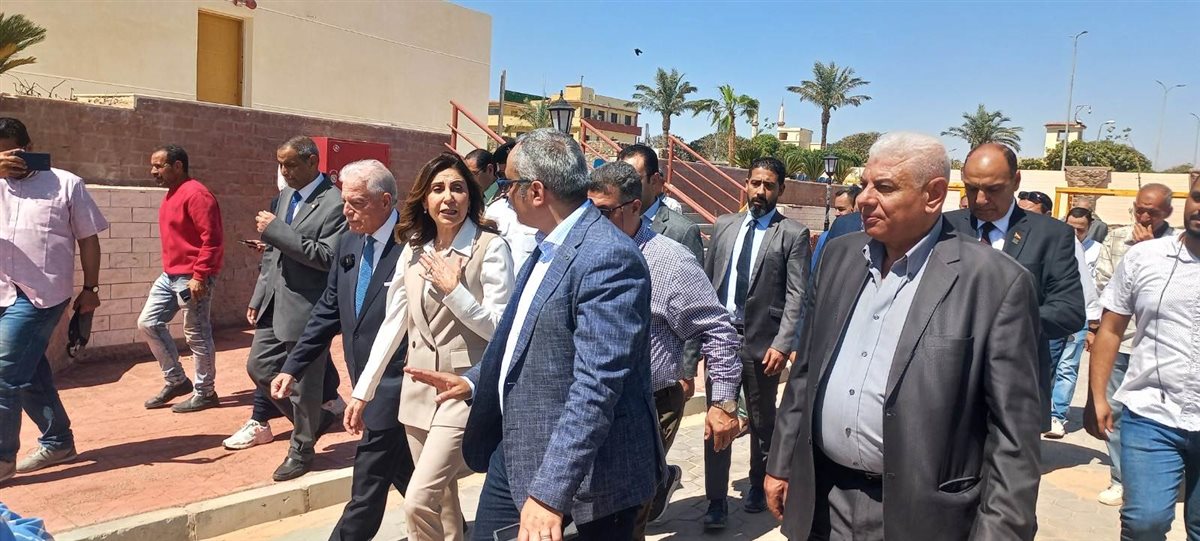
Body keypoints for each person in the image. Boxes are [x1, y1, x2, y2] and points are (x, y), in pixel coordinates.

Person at [765, 131, 1042, 540]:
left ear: (934, 195)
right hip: (825, 500)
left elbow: (1013, 436)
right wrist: (781, 462)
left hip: (923, 516)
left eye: (885, 187)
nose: (864, 198)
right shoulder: (839, 257)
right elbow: (805, 372)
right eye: (864, 184)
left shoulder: (995, 283)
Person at [405, 128, 662, 541]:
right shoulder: (547, 245)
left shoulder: (608, 258)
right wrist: (474, 381)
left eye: (509, 184)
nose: (503, 194)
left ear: (537, 191)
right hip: (518, 451)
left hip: (585, 479)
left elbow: (596, 387)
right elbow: (522, 338)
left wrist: (549, 494)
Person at [345, 152, 514, 541]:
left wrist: (455, 292)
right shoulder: (414, 249)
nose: (448, 197)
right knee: (443, 504)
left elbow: (501, 329)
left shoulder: (490, 247)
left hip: (462, 390)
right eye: (438, 189)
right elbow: (394, 323)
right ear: (424, 200)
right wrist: (363, 391)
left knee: (418, 500)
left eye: (457, 188)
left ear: (471, 197)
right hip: (417, 391)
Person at [587, 161, 742, 537]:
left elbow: (717, 330)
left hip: (648, 405)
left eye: (604, 212)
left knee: (624, 518)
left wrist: (722, 403)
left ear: (634, 207)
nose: (592, 222)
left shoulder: (670, 262)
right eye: (587, 211)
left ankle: (654, 483)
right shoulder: (583, 252)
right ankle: (659, 478)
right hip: (592, 404)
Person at [267, 160, 415, 541]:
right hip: (363, 380)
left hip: (397, 383)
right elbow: (327, 311)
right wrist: (293, 366)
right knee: (409, 477)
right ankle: (455, 531)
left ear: (385, 202)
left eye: (356, 203)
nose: (346, 211)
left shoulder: (414, 244)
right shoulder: (349, 242)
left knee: (366, 487)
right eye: (345, 201)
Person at [1083, 175, 1200, 539]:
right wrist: (1096, 396)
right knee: (1144, 522)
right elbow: (1111, 328)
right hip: (1152, 415)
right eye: (1198, 196)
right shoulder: (1145, 257)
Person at [946, 143, 1085, 432]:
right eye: (971, 189)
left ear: (1016, 181)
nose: (980, 199)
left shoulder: (1051, 235)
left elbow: (1069, 312)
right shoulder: (943, 228)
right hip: (947, 389)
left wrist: (1004, 323)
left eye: (993, 189)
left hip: (1015, 389)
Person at [702, 156, 810, 529]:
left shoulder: (792, 234)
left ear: (780, 189)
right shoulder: (724, 226)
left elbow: (797, 295)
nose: (760, 191)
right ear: (745, 184)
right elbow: (707, 282)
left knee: (763, 421)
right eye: (755, 183)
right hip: (722, 339)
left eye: (768, 185)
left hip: (763, 343)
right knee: (718, 418)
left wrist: (784, 342)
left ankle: (757, 482)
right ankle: (716, 501)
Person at [0, 117, 108, 482]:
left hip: (41, 295)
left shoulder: (66, 184)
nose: (8, 161)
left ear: (29, 148)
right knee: (28, 372)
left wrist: (91, 290)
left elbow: (88, 239)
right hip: (1, 290)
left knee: (4, 375)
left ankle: (2, 459)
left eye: (13, 152)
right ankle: (58, 441)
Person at [246, 136, 347, 482]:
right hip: (275, 302)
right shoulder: (286, 197)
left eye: (290, 164)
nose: (284, 171)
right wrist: (259, 296)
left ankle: (301, 449)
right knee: (259, 366)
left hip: (308, 307)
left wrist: (276, 230)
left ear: (312, 162)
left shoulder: (334, 202)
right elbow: (273, 255)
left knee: (304, 385)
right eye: (280, 164)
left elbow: (327, 257)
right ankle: (313, 421)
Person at [1089, 182, 1177, 507]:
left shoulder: (1179, 243)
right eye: (1139, 209)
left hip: (1159, 345)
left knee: (1153, 413)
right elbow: (1103, 285)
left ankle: (1155, 478)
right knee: (1113, 411)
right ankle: (1120, 478)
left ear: (1168, 212)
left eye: (1152, 212)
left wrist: (1152, 251)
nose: (1143, 217)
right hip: (1121, 341)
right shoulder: (1116, 238)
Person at [138, 145, 225, 413]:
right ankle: (176, 380)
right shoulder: (171, 194)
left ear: (178, 166)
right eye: (152, 166)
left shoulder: (197, 194)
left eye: (159, 166)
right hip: (170, 275)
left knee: (197, 334)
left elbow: (212, 240)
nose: (153, 171)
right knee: (148, 323)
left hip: (192, 278)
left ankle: (206, 392)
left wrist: (200, 275)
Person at [1047, 207, 1110, 439]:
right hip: (1057, 311)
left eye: (1080, 229)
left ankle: (1057, 415)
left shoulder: (1098, 250)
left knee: (1068, 366)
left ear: (1089, 227)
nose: (1075, 232)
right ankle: (1042, 410)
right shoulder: (1058, 242)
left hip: (1082, 313)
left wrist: (1094, 323)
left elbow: (1093, 284)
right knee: (1048, 363)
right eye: (1071, 227)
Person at [618, 144, 703, 263]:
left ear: (654, 180)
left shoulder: (683, 231)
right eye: (619, 180)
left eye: (632, 179)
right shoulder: (610, 219)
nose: (625, 186)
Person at [485, 142, 538, 271]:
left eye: (511, 180)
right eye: (502, 177)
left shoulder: (544, 214)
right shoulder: (495, 210)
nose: (506, 186)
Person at [811, 186, 862, 270]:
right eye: (836, 209)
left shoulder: (865, 238)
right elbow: (816, 269)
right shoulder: (825, 237)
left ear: (855, 209)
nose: (836, 213)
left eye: (841, 209)